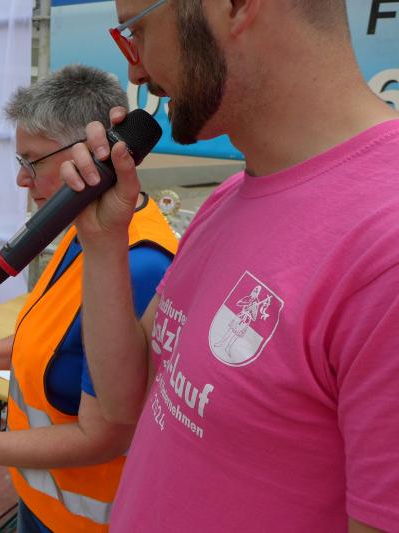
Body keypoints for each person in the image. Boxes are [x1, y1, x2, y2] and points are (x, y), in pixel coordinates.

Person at [62, 1, 399, 531]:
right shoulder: (230, 196)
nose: (135, 71)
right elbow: (125, 400)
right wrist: (103, 243)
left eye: (137, 32)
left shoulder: (385, 252)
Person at [0, 65, 178, 532]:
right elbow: (54, 344)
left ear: (92, 155)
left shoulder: (141, 264)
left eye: (31, 162)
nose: (22, 181)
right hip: (40, 500)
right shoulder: (85, 225)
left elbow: (104, 435)